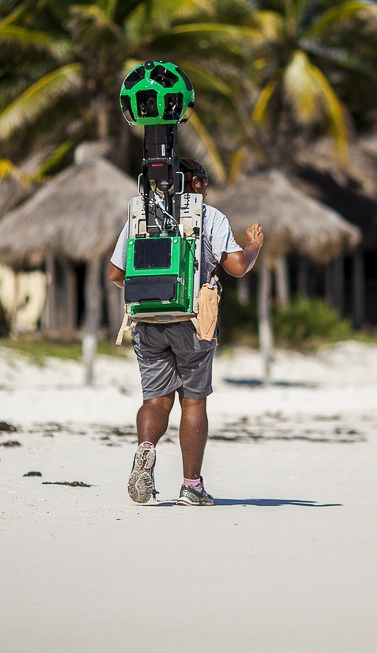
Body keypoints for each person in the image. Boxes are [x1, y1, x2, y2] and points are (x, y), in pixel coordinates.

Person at [108, 158, 263, 506]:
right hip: (192, 322)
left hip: (147, 321)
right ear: (191, 183)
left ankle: (146, 448)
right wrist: (253, 246)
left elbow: (115, 274)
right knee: (193, 401)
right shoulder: (208, 216)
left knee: (155, 400)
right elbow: (236, 268)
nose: (206, 186)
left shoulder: (141, 214)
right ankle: (191, 487)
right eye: (204, 179)